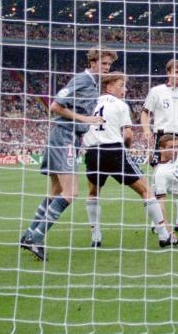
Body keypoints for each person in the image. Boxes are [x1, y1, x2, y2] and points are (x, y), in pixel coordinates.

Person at [20, 47, 117, 261]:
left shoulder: (93, 83)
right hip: (65, 136)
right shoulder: (83, 80)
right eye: (103, 63)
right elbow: (55, 106)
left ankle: (29, 234)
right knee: (71, 192)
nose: (107, 67)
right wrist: (85, 119)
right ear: (92, 62)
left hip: (68, 137)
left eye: (109, 64)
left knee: (56, 190)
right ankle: (36, 238)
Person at [82, 72, 178, 248]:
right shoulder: (120, 105)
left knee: (93, 193)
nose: (125, 89)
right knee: (146, 191)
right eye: (121, 85)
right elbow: (127, 134)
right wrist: (125, 148)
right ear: (108, 86)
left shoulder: (91, 103)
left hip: (92, 151)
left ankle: (95, 237)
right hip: (114, 150)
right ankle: (164, 235)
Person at [141, 59, 178, 233]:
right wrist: (146, 130)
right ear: (168, 73)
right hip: (163, 137)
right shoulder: (156, 91)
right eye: (176, 72)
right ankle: (157, 222)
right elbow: (145, 114)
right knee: (159, 179)